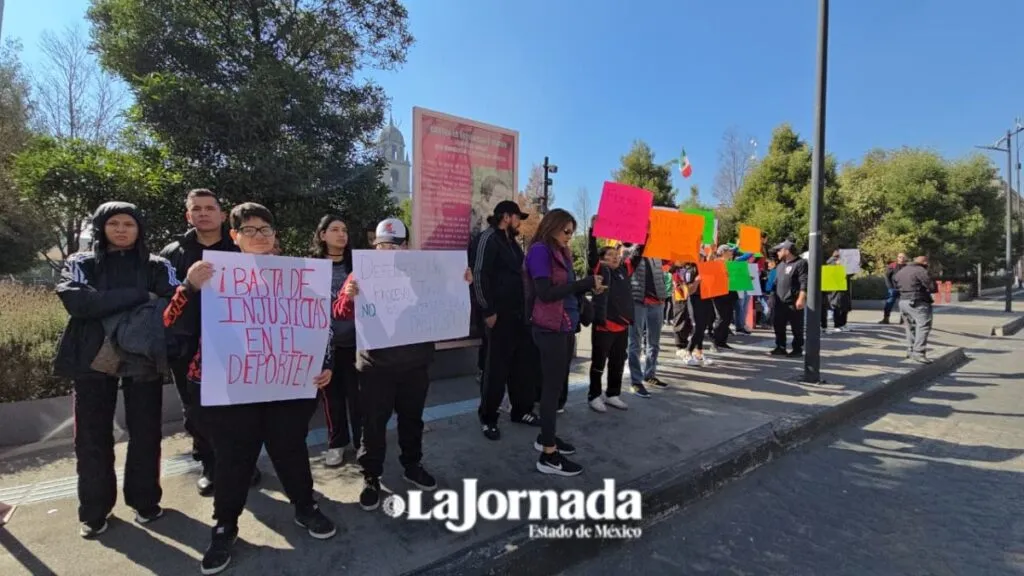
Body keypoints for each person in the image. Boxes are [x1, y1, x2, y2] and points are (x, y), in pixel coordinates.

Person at [165, 202, 336, 575]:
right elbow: (169, 321)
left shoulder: (299, 275)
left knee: (291, 451)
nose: (260, 237)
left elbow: (321, 327)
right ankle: (225, 527)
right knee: (233, 460)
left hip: (286, 385)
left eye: (266, 230)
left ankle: (305, 508)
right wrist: (188, 287)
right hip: (231, 388)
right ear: (235, 236)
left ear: (275, 235)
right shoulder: (211, 274)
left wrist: (324, 365)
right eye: (251, 230)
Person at [54, 201, 181, 538]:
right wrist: (141, 295)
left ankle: (145, 501)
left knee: (146, 433)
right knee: (92, 437)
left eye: (129, 223)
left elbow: (174, 300)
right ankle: (94, 511)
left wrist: (107, 299)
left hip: (144, 357)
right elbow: (78, 302)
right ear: (101, 227)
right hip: (93, 358)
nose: (122, 230)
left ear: (140, 229)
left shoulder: (158, 264)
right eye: (114, 224)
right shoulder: (80, 262)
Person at [335, 218, 473, 509]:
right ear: (375, 246)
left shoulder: (424, 273)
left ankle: (412, 465)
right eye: (382, 245)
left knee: (412, 420)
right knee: (373, 425)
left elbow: (447, 301)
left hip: (415, 364)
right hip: (375, 366)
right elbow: (341, 312)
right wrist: (349, 298)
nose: (387, 250)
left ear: (406, 246)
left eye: (394, 244)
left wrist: (463, 282)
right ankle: (371, 475)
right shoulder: (362, 272)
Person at [160, 188, 261, 496]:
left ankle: (245, 464)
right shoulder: (172, 253)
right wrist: (189, 285)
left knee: (240, 408)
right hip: (188, 347)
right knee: (197, 412)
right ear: (188, 215)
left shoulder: (242, 249)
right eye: (197, 209)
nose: (203, 213)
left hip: (235, 342)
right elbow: (163, 312)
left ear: (221, 214)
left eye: (209, 208)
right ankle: (209, 463)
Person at [524, 209, 603, 476]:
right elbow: (545, 293)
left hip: (565, 325)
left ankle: (547, 437)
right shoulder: (539, 251)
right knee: (551, 389)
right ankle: (548, 455)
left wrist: (586, 287)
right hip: (549, 328)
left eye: (572, 231)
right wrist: (583, 284)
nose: (569, 236)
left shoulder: (561, 252)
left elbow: (569, 288)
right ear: (552, 227)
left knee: (556, 390)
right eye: (566, 231)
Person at [473, 200, 539, 441]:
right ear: (506, 216)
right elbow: (479, 275)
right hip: (498, 318)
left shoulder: (511, 242)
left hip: (519, 317)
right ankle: (488, 418)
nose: (520, 221)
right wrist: (488, 311)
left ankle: (522, 411)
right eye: (517, 217)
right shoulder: (488, 239)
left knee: (522, 368)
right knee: (495, 371)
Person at [312, 215, 360, 468]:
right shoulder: (310, 267)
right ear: (322, 235)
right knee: (332, 398)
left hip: (358, 343)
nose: (342, 234)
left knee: (359, 396)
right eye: (334, 229)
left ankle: (362, 442)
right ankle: (336, 443)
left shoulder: (359, 266)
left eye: (345, 229)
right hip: (325, 347)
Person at [586, 217, 643, 413]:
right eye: (610, 255)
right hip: (604, 326)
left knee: (618, 362)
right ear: (602, 259)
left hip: (622, 326)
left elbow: (637, 254)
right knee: (599, 363)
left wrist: (646, 233)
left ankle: (612, 394)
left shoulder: (624, 270)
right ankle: (594, 395)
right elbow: (591, 254)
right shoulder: (599, 269)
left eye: (616, 254)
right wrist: (592, 231)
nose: (615, 257)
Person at [623, 234, 668, 398]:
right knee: (635, 343)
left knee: (654, 343)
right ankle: (636, 381)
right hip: (637, 302)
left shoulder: (657, 255)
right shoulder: (629, 252)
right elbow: (627, 267)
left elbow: (662, 275)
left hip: (657, 302)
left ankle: (650, 374)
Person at [893, 256, 938, 364]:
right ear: (924, 263)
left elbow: (895, 285)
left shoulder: (901, 271)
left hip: (903, 301)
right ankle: (919, 353)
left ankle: (911, 350)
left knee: (910, 327)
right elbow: (932, 287)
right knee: (923, 326)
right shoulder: (921, 271)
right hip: (918, 302)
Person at [768, 240, 808, 357]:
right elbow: (776, 283)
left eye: (779, 250)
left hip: (793, 301)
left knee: (797, 327)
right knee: (778, 325)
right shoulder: (780, 265)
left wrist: (801, 298)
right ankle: (780, 347)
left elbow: (804, 282)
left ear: (787, 250)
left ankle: (797, 349)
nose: (777, 253)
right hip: (780, 302)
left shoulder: (801, 263)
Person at [679, 252, 713, 367]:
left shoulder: (707, 268)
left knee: (703, 327)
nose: (703, 258)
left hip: (707, 298)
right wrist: (697, 281)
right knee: (698, 327)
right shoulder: (690, 271)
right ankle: (687, 352)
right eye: (700, 256)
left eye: (703, 256)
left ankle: (699, 352)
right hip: (695, 300)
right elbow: (689, 291)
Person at [710, 244, 738, 353]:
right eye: (729, 251)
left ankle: (722, 341)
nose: (731, 253)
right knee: (720, 318)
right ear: (723, 252)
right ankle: (715, 342)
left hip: (729, 293)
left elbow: (734, 277)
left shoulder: (730, 264)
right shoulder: (717, 262)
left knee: (727, 317)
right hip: (719, 294)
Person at [822, 249, 852, 332]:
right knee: (837, 306)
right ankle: (837, 325)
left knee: (844, 306)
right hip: (836, 288)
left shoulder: (843, 262)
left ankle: (843, 324)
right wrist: (837, 264)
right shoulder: (831, 262)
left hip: (843, 286)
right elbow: (830, 272)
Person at [881, 253, 907, 324]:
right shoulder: (892, 265)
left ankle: (903, 320)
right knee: (889, 303)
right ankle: (886, 319)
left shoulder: (907, 266)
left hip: (904, 289)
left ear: (905, 258)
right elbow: (886, 276)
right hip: (893, 288)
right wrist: (890, 287)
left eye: (903, 257)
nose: (901, 258)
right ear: (897, 258)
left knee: (904, 305)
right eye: (900, 257)